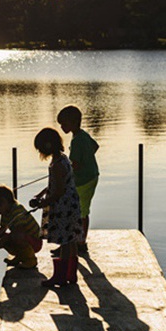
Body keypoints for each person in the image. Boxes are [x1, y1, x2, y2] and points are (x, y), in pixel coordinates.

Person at [31, 127, 83, 287]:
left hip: (63, 208)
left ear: (47, 146)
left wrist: (44, 203)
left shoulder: (56, 165)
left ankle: (60, 277)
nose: (40, 152)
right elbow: (54, 184)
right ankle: (71, 274)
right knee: (71, 239)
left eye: (40, 148)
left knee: (66, 242)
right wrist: (40, 195)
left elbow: (59, 191)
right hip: (72, 204)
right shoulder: (62, 159)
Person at [57, 105, 99, 254]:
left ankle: (79, 243)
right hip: (92, 176)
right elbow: (95, 146)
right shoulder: (83, 135)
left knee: (80, 211)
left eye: (64, 124)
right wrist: (87, 157)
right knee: (82, 210)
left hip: (84, 180)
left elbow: (75, 165)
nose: (62, 127)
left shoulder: (76, 142)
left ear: (74, 123)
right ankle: (76, 241)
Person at [0, 185, 42, 269]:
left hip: (35, 242)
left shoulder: (17, 210)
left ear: (3, 202)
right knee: (3, 236)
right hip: (24, 238)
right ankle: (20, 257)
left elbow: (19, 232)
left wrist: (3, 240)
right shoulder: (6, 213)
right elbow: (2, 228)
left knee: (15, 237)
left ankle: (30, 260)